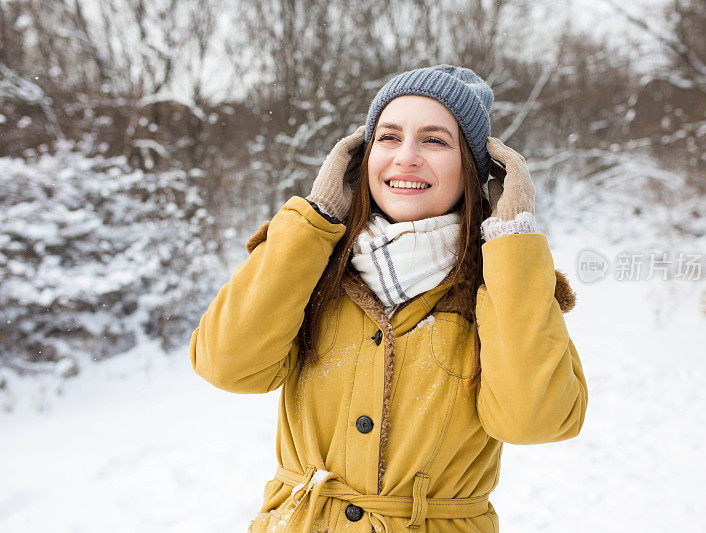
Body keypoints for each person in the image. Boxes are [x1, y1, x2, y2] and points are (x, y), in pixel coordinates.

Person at [190, 64, 588, 533]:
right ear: (360, 158)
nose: (407, 157)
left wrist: (512, 235)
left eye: (436, 141)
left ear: (475, 168)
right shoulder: (313, 269)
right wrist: (316, 218)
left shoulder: (501, 285)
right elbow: (227, 365)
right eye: (389, 137)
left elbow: (534, 420)